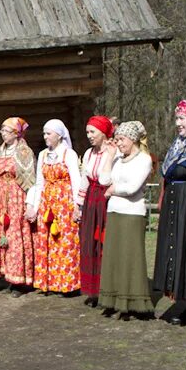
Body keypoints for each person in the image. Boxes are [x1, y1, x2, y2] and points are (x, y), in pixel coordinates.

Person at [97, 121, 155, 320]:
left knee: (130, 257)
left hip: (132, 214)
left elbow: (132, 188)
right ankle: (114, 301)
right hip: (114, 212)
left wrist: (114, 190)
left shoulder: (144, 160)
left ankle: (133, 301)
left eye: (122, 139)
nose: (119, 143)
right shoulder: (118, 160)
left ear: (132, 139)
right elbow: (103, 180)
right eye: (118, 139)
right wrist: (110, 156)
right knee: (114, 256)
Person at [26, 119, 82, 295]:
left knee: (64, 242)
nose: (45, 137)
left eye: (48, 133)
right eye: (44, 133)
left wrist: (77, 206)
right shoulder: (42, 155)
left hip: (65, 204)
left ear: (59, 135)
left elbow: (76, 182)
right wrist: (34, 207)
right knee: (47, 242)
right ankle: (49, 282)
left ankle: (67, 283)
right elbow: (39, 183)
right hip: (47, 204)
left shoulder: (69, 154)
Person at [0, 117, 36, 297]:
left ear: (15, 133)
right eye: (1, 130)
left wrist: (29, 203)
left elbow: (30, 179)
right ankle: (8, 274)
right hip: (1, 197)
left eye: (5, 131)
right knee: (2, 234)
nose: (2, 134)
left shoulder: (25, 151)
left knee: (16, 235)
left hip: (16, 197)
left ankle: (20, 279)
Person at [153, 99, 186, 325]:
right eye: (176, 118)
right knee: (177, 251)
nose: (178, 123)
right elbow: (168, 175)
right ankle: (183, 299)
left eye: (182, 118)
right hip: (175, 202)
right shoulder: (177, 145)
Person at [76, 116, 117, 307]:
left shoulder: (113, 154)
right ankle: (92, 290)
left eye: (93, 132)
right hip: (91, 199)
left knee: (103, 242)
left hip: (105, 199)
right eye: (87, 132)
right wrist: (79, 205)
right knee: (89, 242)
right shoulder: (88, 153)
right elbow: (85, 179)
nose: (89, 136)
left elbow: (110, 179)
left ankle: (106, 289)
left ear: (103, 133)